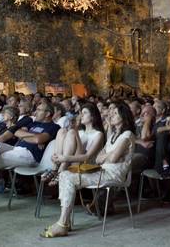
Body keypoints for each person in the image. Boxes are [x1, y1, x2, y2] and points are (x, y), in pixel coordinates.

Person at [40, 102, 135, 238]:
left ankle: (63, 224)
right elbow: (98, 159)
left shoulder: (127, 134)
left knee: (67, 176)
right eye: (111, 113)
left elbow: (113, 159)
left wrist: (107, 156)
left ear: (123, 116)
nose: (111, 115)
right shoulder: (114, 134)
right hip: (103, 170)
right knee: (66, 175)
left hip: (114, 174)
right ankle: (65, 222)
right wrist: (108, 156)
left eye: (115, 113)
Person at [44, 102, 105, 186]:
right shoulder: (80, 132)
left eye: (85, 113)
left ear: (92, 116)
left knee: (72, 132)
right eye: (81, 113)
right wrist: (56, 156)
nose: (81, 115)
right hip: (71, 160)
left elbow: (87, 156)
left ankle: (61, 169)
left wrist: (65, 158)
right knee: (62, 131)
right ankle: (55, 167)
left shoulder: (98, 134)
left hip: (85, 163)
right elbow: (66, 147)